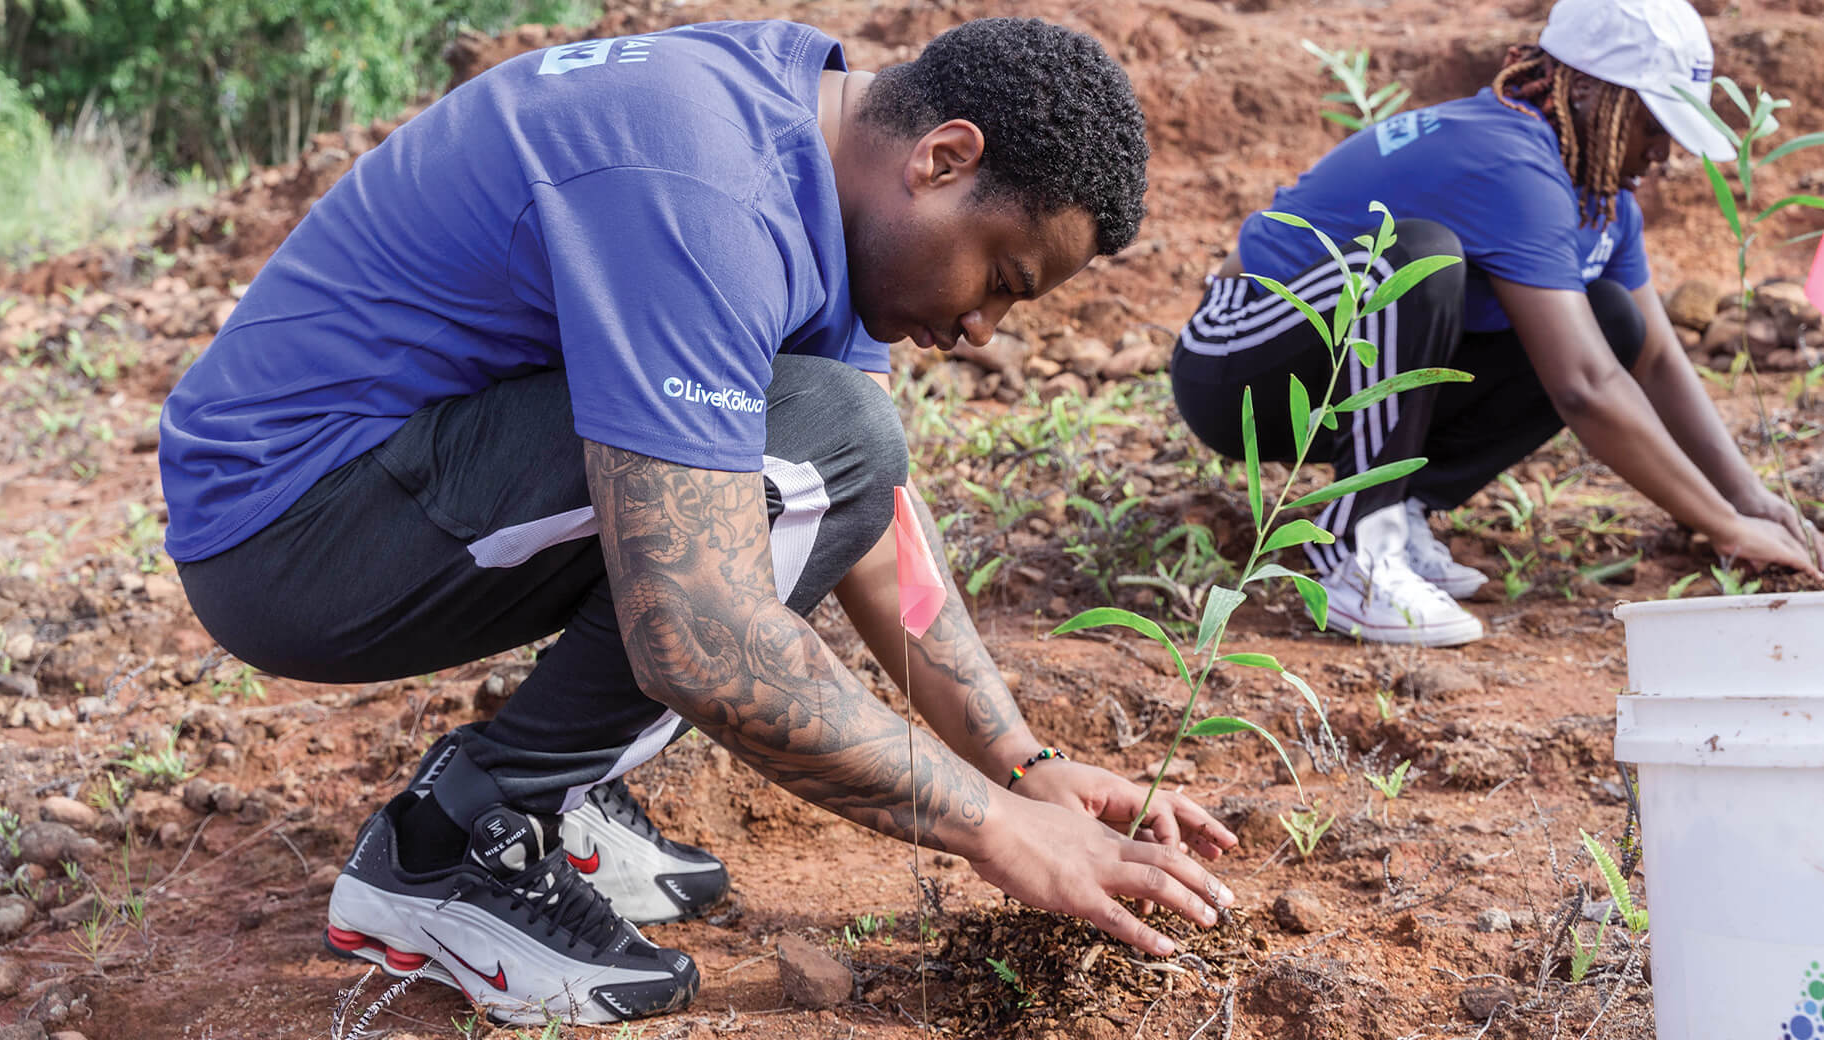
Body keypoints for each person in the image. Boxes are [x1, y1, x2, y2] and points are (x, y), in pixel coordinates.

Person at [159, 17, 1239, 1027]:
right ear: (942, 159)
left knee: (836, 440)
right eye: (999, 277)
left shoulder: (814, 144)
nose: (977, 327)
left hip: (393, 486)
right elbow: (700, 629)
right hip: (292, 533)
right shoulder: (702, 185)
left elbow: (861, 504)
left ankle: (558, 781)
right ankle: (452, 843)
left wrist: (1018, 759)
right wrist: (1002, 833)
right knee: (817, 446)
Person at [1170, 0, 1824, 646]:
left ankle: (1399, 506)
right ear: (1594, 96)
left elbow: (1651, 358)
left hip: (1334, 374)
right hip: (1236, 363)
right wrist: (1721, 525)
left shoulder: (1602, 203)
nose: (1663, 156)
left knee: (1611, 318)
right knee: (1418, 261)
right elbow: (1584, 388)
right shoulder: (1508, 159)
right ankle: (1360, 550)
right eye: (1654, 127)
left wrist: (1747, 500)